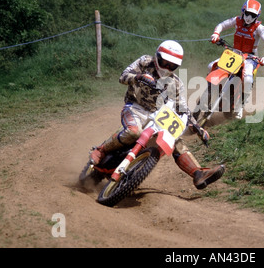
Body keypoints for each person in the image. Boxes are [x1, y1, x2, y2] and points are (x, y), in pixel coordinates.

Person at [89, 40, 225, 190]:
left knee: (173, 139)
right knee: (134, 132)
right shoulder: (145, 62)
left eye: (171, 65)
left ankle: (198, 173)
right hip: (135, 107)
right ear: (157, 56)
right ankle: (100, 150)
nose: (167, 67)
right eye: (164, 62)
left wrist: (198, 127)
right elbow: (123, 76)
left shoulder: (176, 83)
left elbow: (183, 108)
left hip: (158, 115)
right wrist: (138, 77)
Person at [209, 0, 264, 119]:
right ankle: (210, 93)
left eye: (253, 15)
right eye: (247, 13)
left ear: (257, 16)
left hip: (250, 57)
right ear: (243, 11)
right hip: (234, 54)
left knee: (247, 78)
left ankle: (241, 104)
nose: (249, 17)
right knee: (211, 65)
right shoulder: (236, 20)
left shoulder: (260, 28)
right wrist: (216, 33)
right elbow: (222, 25)